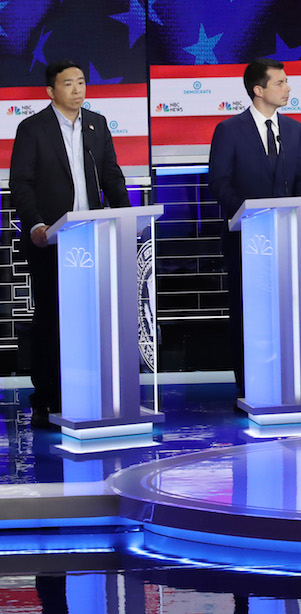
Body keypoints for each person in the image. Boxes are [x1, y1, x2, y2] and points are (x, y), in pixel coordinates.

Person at [10, 60, 130, 428]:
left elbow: (111, 174)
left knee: (92, 319)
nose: (78, 89)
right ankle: (46, 399)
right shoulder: (32, 129)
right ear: (51, 91)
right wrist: (35, 225)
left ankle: (90, 391)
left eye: (81, 82)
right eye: (68, 84)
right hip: (50, 240)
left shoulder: (97, 125)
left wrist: (124, 216)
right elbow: (21, 183)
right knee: (50, 320)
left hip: (91, 238)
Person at [208, 58, 301, 399]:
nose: (288, 87)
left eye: (287, 82)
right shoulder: (229, 130)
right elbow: (219, 184)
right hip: (246, 239)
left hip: (286, 239)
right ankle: (249, 385)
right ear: (259, 90)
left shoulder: (294, 129)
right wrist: (252, 218)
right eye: (280, 82)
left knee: (286, 309)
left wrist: (294, 212)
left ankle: (288, 380)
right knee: (247, 311)